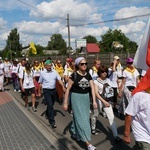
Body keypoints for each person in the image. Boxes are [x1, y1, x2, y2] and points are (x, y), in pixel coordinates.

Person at [63, 57, 97, 150]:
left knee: (83, 117)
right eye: (82, 64)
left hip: (86, 98)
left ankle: (75, 133)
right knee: (82, 121)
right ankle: (88, 143)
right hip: (76, 98)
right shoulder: (73, 75)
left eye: (85, 63)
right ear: (78, 65)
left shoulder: (88, 75)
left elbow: (92, 88)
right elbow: (68, 89)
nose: (84, 65)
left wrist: (94, 101)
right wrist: (65, 102)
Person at [91, 65, 122, 143]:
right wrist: (103, 101)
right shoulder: (96, 81)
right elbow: (96, 93)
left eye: (105, 71)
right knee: (96, 115)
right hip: (99, 101)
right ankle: (93, 127)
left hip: (107, 101)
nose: (104, 73)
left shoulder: (108, 80)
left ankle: (116, 136)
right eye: (102, 72)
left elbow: (110, 90)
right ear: (99, 73)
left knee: (111, 118)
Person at [38, 59, 66, 128]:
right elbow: (40, 83)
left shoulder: (55, 72)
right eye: (48, 66)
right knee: (50, 105)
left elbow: (59, 80)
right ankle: (52, 121)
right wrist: (39, 92)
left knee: (52, 104)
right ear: (45, 66)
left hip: (53, 91)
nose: (49, 67)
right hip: (46, 91)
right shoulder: (42, 73)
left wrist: (63, 87)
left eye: (50, 65)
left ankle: (47, 112)